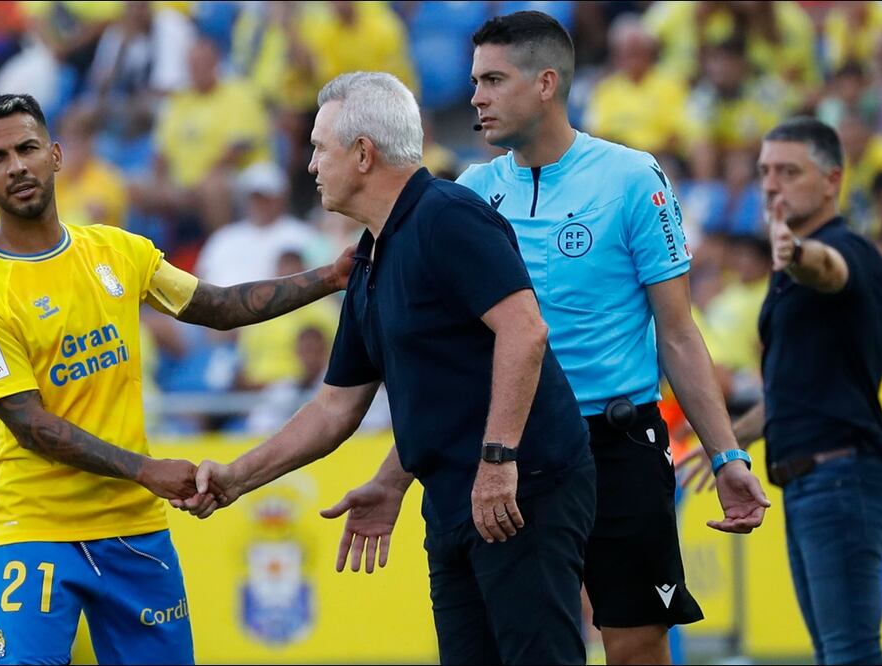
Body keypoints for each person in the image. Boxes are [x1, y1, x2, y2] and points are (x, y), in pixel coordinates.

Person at [328, 12, 770, 666]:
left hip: (616, 442)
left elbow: (677, 335)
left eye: (493, 80)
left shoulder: (630, 178)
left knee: (634, 645)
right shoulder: (469, 194)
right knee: (519, 647)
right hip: (515, 454)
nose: (474, 96)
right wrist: (395, 476)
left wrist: (727, 456)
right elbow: (445, 371)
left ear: (544, 84)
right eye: (474, 79)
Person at [176, 71, 598, 664]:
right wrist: (236, 478)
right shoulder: (371, 255)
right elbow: (335, 407)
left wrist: (499, 462)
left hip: (520, 490)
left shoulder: (448, 215)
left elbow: (525, 331)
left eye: (319, 148)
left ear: (364, 154)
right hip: (453, 497)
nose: (311, 165)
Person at [0, 93, 353, 665]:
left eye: (28, 148)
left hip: (133, 526)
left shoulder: (117, 251)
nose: (16, 166)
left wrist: (331, 276)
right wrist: (144, 468)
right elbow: (29, 422)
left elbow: (218, 306)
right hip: (34, 527)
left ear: (56, 155)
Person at [683, 117, 882, 665]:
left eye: (789, 171)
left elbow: (831, 271)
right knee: (836, 651)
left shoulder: (844, 248)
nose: (772, 184)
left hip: (841, 472)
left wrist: (798, 253)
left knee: (849, 653)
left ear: (833, 180)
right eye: (764, 172)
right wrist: (727, 442)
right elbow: (791, 392)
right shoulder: (789, 264)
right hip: (814, 476)